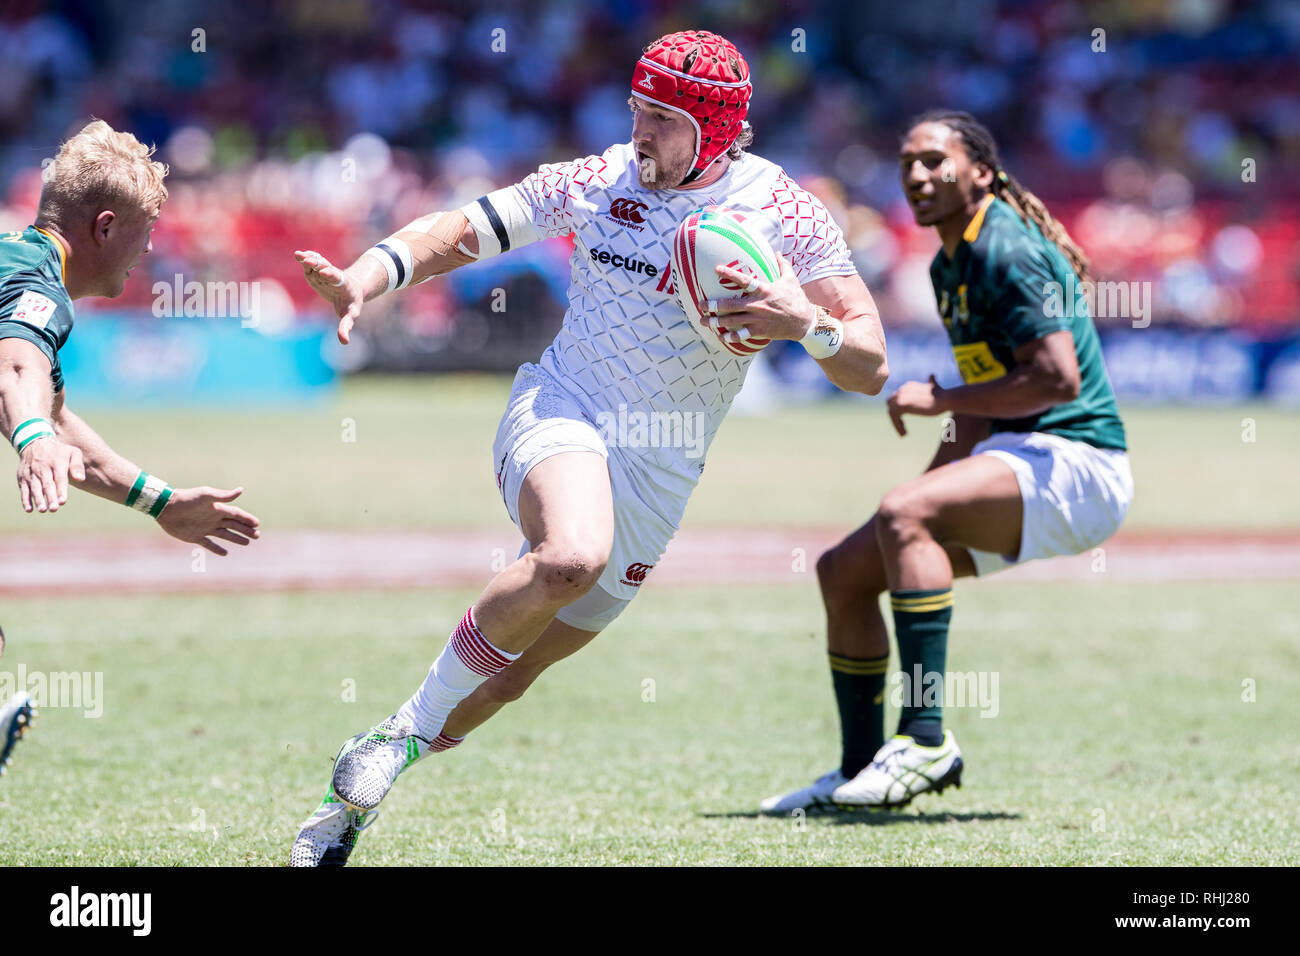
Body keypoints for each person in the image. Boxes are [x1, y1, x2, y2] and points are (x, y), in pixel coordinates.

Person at [289, 29, 889, 866]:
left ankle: (357, 789)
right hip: (561, 405)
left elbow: (870, 363)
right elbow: (464, 229)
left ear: (714, 130)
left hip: (662, 472)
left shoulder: (786, 212)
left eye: (663, 118)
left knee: (514, 671)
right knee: (570, 555)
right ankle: (396, 739)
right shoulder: (600, 178)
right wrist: (372, 275)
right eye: (637, 109)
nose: (640, 131)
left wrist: (806, 324)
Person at [760, 109, 1133, 814]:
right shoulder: (949, 261)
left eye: (935, 161)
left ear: (982, 173)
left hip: (1079, 463)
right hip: (1017, 457)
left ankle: (926, 738)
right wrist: (920, 492)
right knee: (844, 570)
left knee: (905, 514)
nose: (918, 175)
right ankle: (860, 771)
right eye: (908, 163)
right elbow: (980, 412)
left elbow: (1058, 381)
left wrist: (940, 402)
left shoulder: (1007, 249)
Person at [0, 120, 262, 556]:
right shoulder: (37, 286)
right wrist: (33, 439)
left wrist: (162, 503)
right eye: (147, 228)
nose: (149, 249)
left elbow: (56, 421)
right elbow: (14, 365)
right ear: (105, 228)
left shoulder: (16, 261)